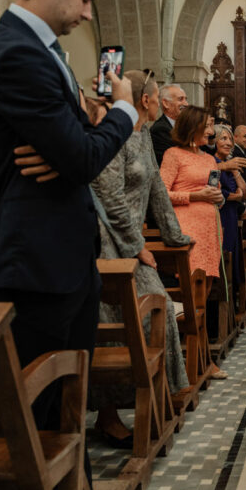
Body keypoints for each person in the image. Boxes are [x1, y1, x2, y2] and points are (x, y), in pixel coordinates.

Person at [0, 0, 137, 490]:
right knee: (39, 426)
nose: (88, 12)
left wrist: (82, 139)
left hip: (62, 261)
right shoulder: (16, 52)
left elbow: (73, 153)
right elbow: (79, 159)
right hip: (34, 268)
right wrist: (119, 112)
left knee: (71, 417)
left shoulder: (43, 53)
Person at [90, 69, 192, 447]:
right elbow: (107, 193)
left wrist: (174, 235)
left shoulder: (145, 134)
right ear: (147, 100)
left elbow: (156, 189)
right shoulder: (117, 135)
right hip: (107, 240)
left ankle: (160, 396)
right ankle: (108, 415)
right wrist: (136, 245)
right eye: (156, 95)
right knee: (114, 324)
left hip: (131, 240)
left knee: (158, 311)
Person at [159, 106, 228, 380]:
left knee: (204, 297)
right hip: (186, 228)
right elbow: (162, 193)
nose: (211, 131)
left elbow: (216, 191)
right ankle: (188, 364)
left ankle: (202, 362)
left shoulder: (209, 158)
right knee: (190, 298)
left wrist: (217, 197)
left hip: (210, 228)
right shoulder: (173, 155)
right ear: (193, 127)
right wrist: (195, 197)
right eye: (207, 127)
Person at [213, 124, 246, 288]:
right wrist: (234, 196)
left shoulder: (230, 163)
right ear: (214, 141)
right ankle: (223, 294)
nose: (228, 143)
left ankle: (232, 295)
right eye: (223, 138)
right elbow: (215, 190)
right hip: (221, 214)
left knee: (232, 254)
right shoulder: (212, 162)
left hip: (232, 214)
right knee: (224, 253)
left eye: (230, 139)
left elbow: (244, 190)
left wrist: (234, 170)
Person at [151, 83, 188, 166]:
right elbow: (174, 161)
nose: (186, 104)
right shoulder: (160, 129)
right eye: (180, 99)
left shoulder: (187, 126)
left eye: (186, 99)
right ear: (166, 103)